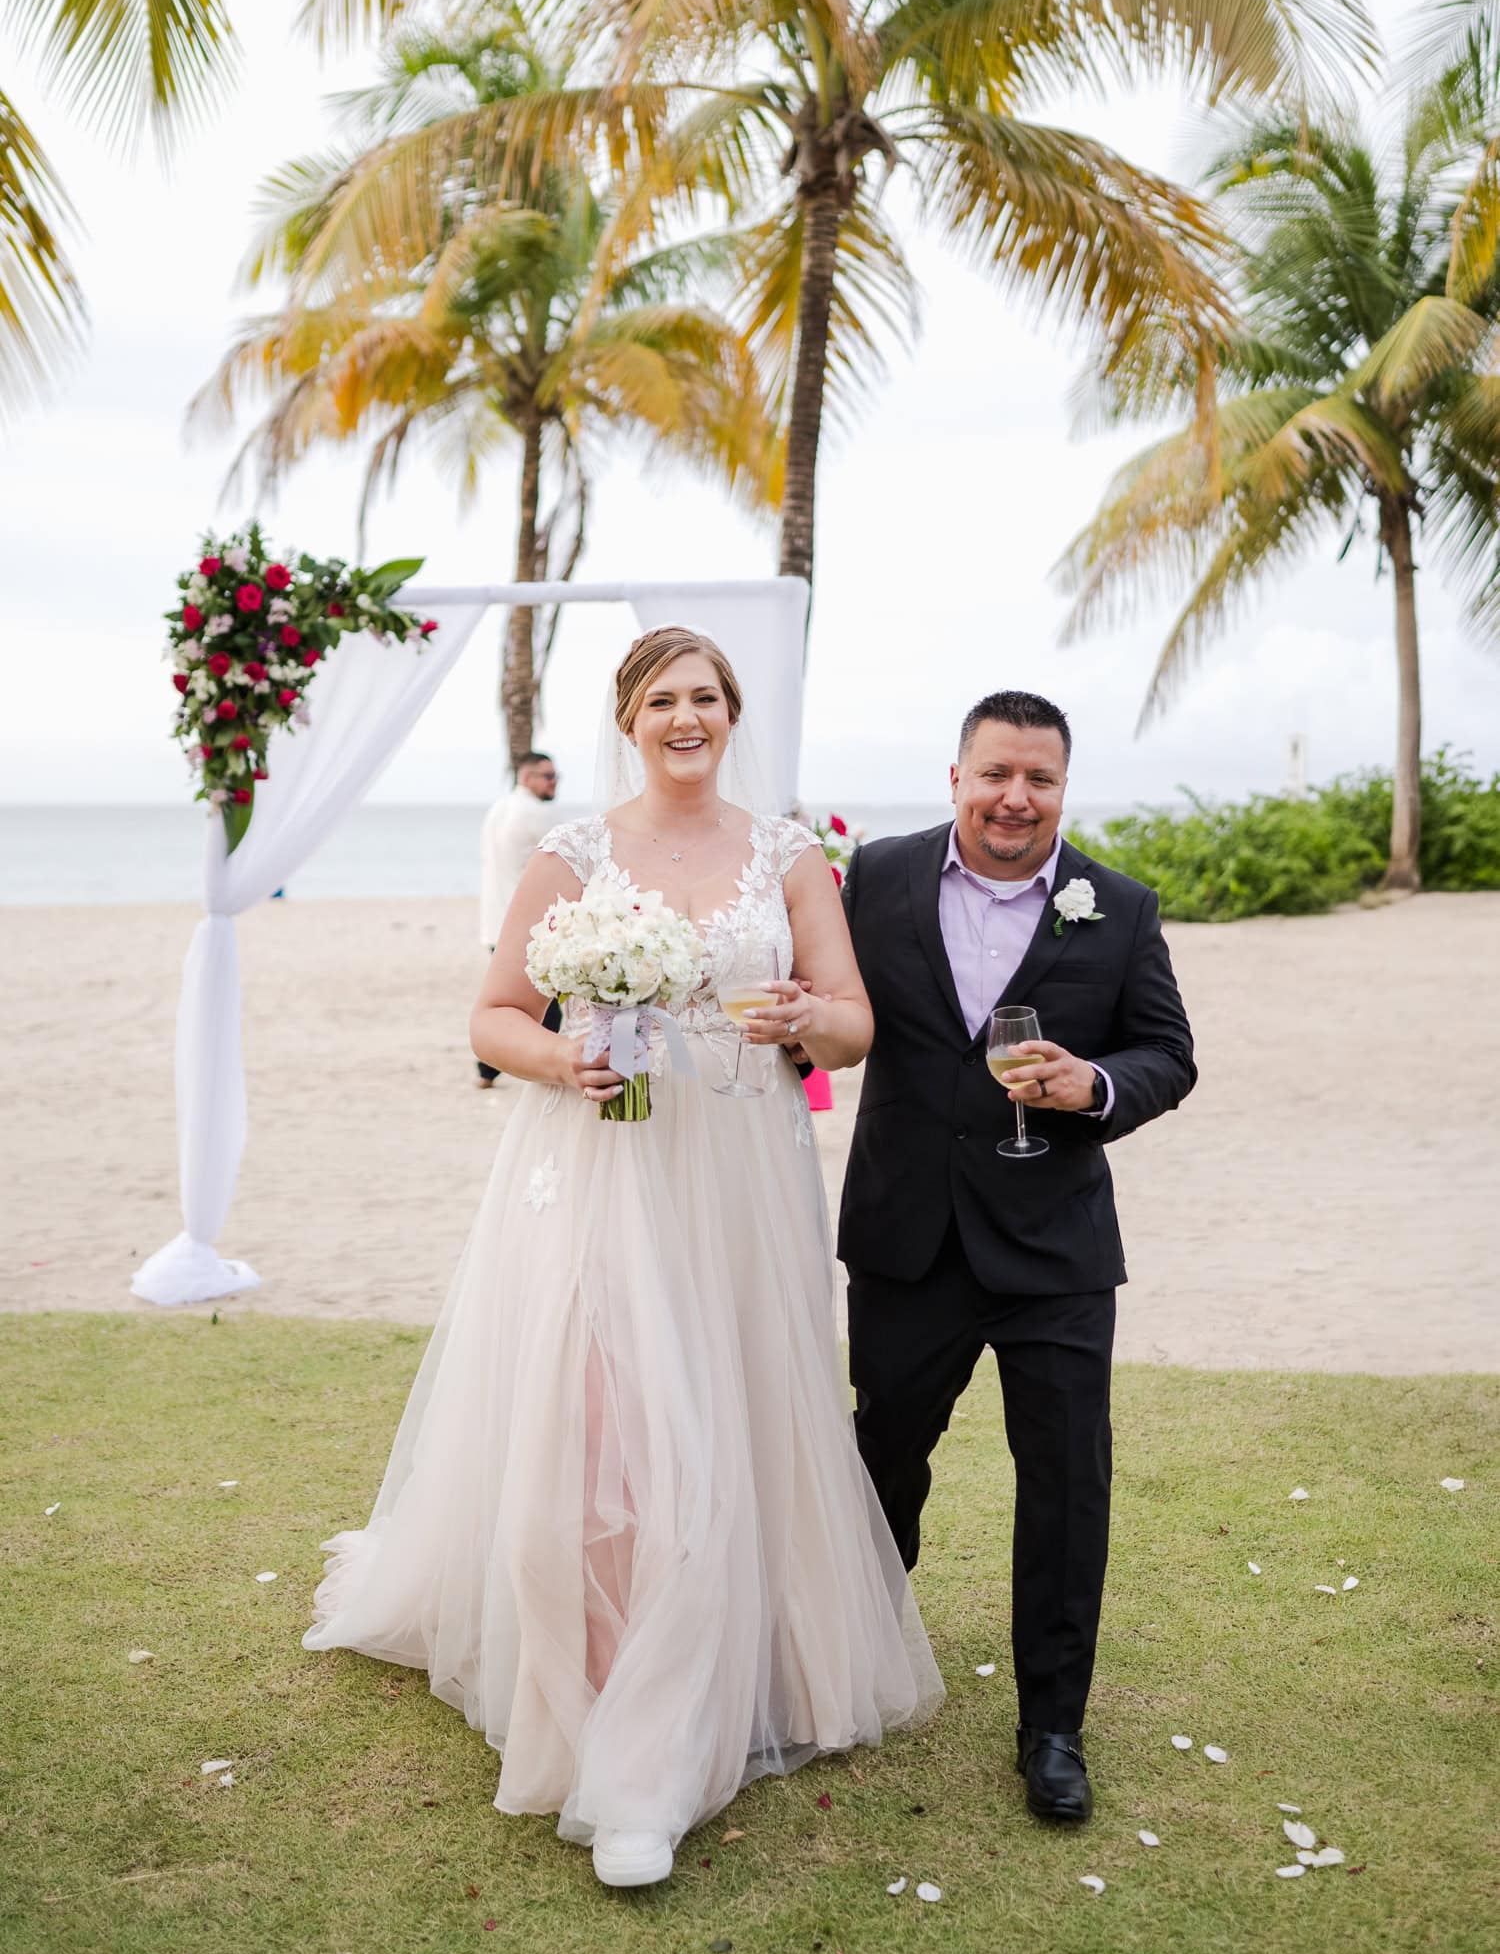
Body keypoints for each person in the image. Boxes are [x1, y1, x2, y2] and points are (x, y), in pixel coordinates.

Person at [304, 628, 941, 1887]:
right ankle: (616, 1732)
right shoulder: (573, 854)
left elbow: (855, 1023)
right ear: (628, 717)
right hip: (598, 1173)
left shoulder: (789, 854)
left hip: (744, 1178)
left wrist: (814, 1020)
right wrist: (563, 1058)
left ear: (733, 714)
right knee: (606, 1438)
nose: (687, 717)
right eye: (665, 699)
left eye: (707, 697)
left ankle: (711, 1691)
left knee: (726, 1420)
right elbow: (493, 1016)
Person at [838, 689, 1195, 1826]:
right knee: (879, 1457)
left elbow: (1167, 1056)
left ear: (1062, 789)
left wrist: (1093, 1085)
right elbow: (827, 1005)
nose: (1015, 797)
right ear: (955, 778)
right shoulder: (875, 879)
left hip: (1056, 1250)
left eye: (1039, 778)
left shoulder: (1120, 908)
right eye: (996, 773)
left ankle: (1053, 1729)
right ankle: (852, 1664)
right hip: (907, 1235)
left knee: (1066, 1488)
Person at [475, 751, 558, 1086]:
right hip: (527, 925)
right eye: (548, 776)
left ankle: (485, 1072)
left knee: (506, 1001)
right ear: (527, 778)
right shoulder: (537, 813)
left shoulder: (498, 809)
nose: (554, 783)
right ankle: (546, 1072)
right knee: (546, 1004)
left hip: (495, 921)